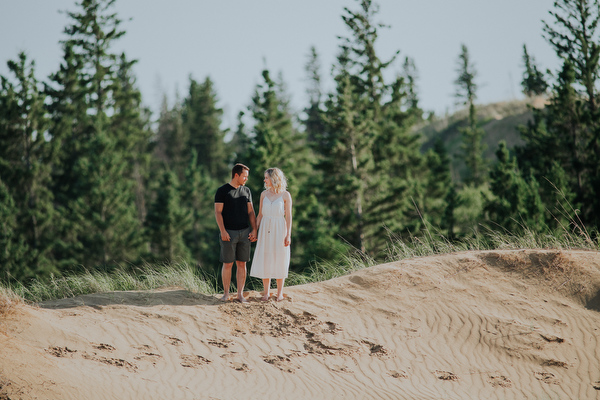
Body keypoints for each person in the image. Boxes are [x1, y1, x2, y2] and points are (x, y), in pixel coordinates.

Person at [214, 163, 257, 303]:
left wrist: (254, 229)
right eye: (244, 176)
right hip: (228, 233)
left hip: (245, 232)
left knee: (242, 264)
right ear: (236, 175)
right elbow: (218, 212)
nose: (246, 179)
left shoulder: (246, 191)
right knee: (227, 264)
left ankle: (240, 295)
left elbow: (251, 212)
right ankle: (226, 294)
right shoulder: (222, 191)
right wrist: (223, 231)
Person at [250, 167, 292, 301]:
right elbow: (260, 214)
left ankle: (280, 293)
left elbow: (289, 217)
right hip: (265, 229)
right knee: (266, 257)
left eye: (266, 177)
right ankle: (266, 293)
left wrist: (288, 235)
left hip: (280, 228)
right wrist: (254, 230)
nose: (264, 180)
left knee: (280, 257)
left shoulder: (286, 195)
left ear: (274, 178)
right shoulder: (264, 194)